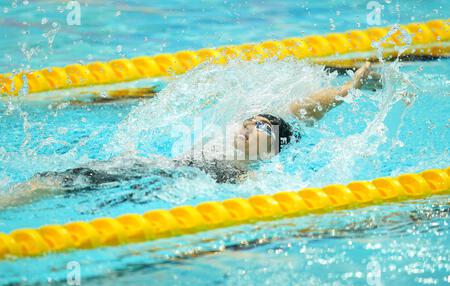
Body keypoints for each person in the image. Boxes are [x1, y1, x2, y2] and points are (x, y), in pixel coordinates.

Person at [0, 62, 380, 209]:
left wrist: (350, 91)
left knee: (69, 190)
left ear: (273, 149)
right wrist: (351, 87)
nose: (250, 126)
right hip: (150, 168)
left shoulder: (248, 173)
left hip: (162, 184)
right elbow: (307, 105)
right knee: (56, 181)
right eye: (251, 121)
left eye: (262, 127)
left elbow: (304, 115)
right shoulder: (235, 139)